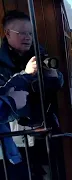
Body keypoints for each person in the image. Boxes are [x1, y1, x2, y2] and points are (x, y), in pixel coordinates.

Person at [0, 10, 64, 179]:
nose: (28, 37)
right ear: (7, 33)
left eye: (30, 33)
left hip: (46, 132)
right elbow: (5, 98)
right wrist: (26, 74)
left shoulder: (40, 54)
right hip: (16, 139)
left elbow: (59, 83)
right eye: (22, 33)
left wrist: (54, 76)